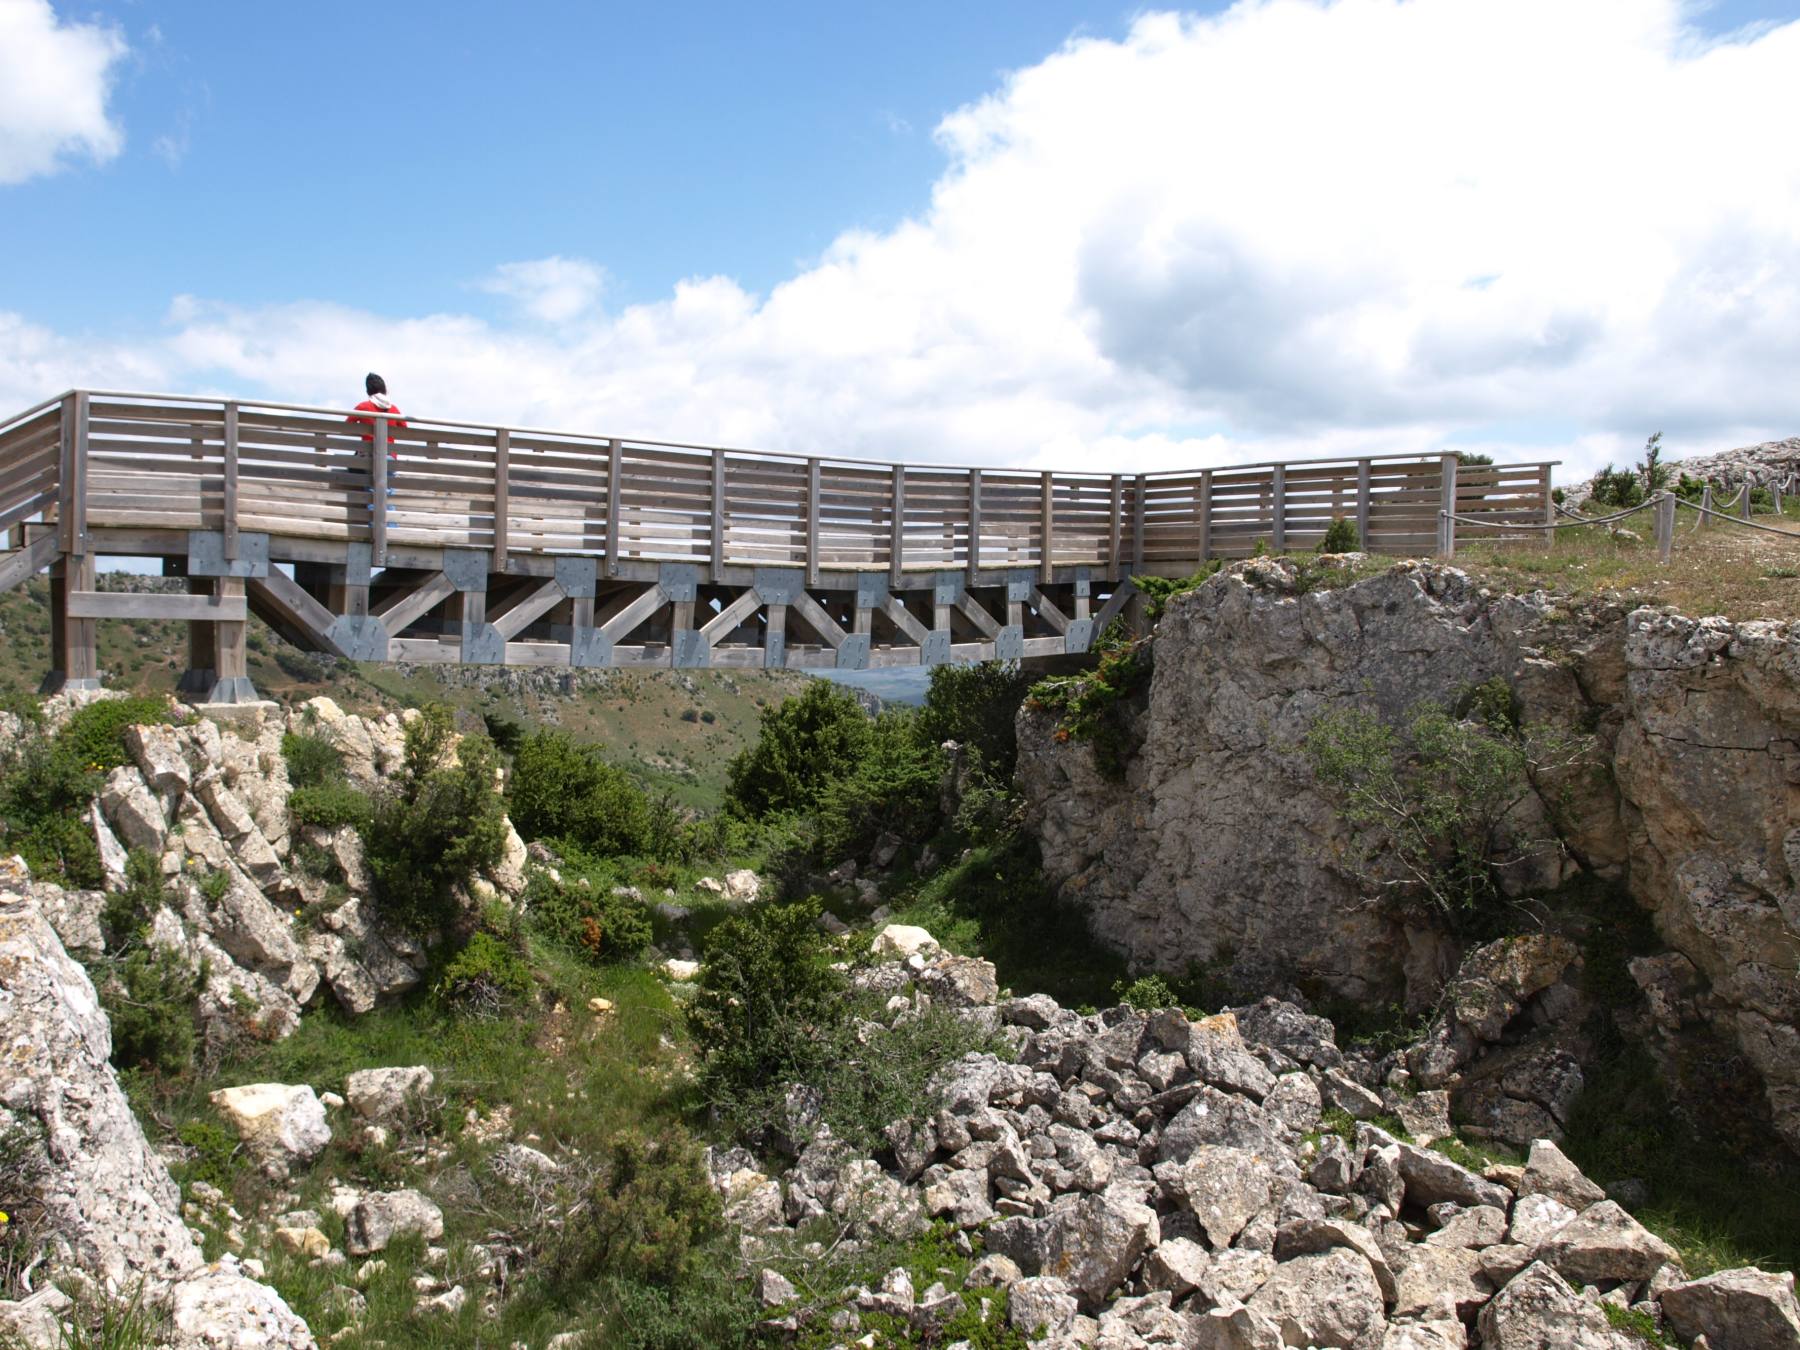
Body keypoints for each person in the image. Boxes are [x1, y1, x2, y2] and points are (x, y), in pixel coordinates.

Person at [347, 373, 406, 524]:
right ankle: (391, 531)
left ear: (368, 391)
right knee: (388, 495)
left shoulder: (364, 407)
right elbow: (405, 428)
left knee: (373, 493)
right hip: (390, 457)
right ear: (385, 390)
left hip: (370, 456)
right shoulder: (393, 409)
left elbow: (346, 425)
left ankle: (375, 531)